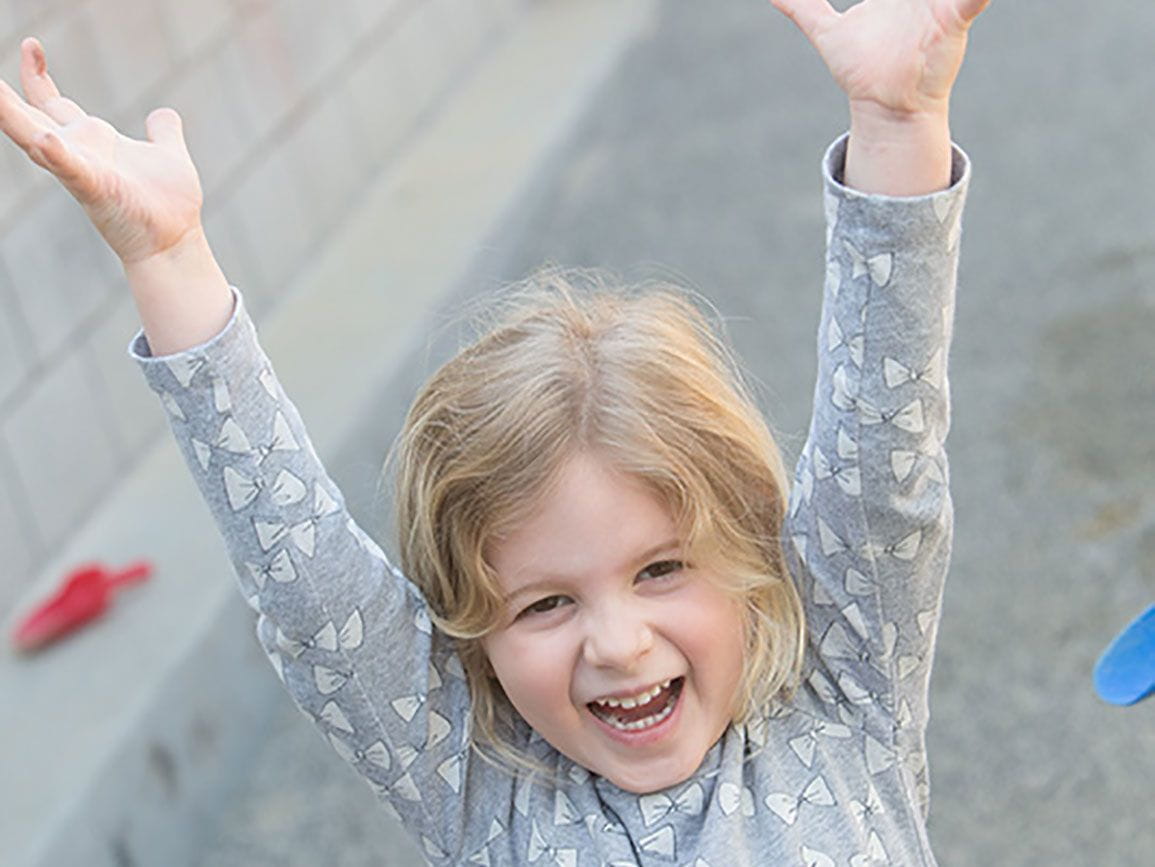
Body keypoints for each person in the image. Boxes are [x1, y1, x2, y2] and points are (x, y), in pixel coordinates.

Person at [0, 0, 990, 862]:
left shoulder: (843, 690)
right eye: (545, 604)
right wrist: (169, 259)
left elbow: (881, 453)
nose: (617, 642)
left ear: (753, 560)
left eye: (660, 570)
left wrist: (897, 122)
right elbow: (307, 592)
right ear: (473, 637)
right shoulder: (480, 786)